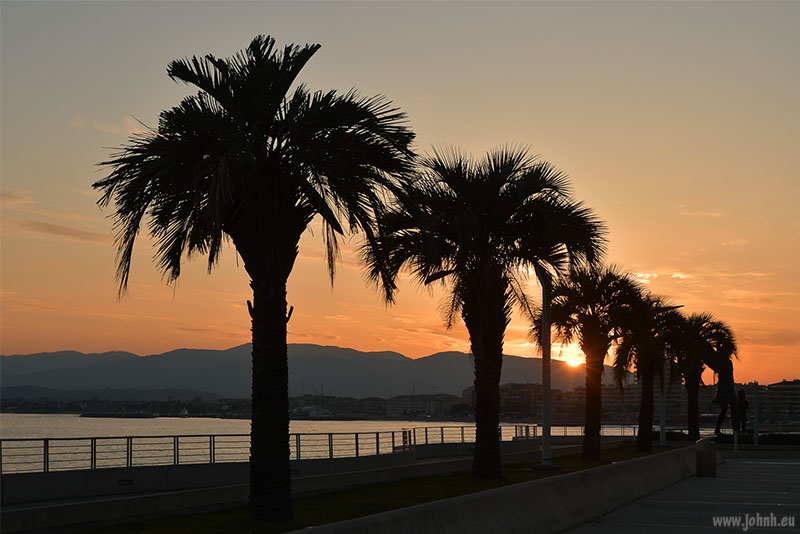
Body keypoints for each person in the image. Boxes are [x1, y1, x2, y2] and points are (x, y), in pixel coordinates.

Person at [706, 355, 738, 436]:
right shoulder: (720, 360)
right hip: (723, 386)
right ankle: (717, 429)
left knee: (733, 408)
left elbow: (731, 375)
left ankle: (735, 430)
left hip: (729, 386)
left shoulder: (728, 361)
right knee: (724, 409)